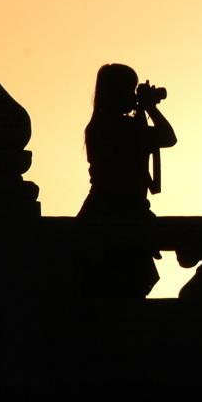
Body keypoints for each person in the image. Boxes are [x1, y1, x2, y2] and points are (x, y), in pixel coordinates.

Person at [77, 63, 176, 298]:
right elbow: (168, 137)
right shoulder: (120, 127)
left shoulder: (99, 126)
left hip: (104, 208)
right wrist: (149, 107)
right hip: (121, 212)